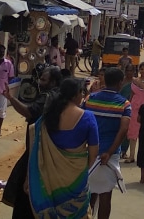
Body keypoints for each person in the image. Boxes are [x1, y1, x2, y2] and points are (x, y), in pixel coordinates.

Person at [26, 77, 99, 218]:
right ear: (74, 95)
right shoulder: (88, 117)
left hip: (49, 180)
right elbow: (94, 153)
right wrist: (82, 169)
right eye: (81, 92)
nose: (83, 95)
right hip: (77, 179)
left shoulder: (48, 117)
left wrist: (28, 177)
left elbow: (36, 148)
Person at [1, 66, 63, 219]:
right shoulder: (60, 96)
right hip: (50, 151)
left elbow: (29, 112)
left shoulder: (47, 97)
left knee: (25, 194)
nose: (40, 82)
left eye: (43, 79)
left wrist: (10, 98)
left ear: (53, 82)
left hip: (37, 151)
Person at [85, 68, 131, 219]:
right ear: (120, 83)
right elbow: (124, 129)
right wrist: (109, 152)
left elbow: (80, 122)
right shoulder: (124, 104)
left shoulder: (90, 99)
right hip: (109, 157)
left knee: (89, 194)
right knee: (105, 196)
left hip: (88, 154)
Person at [118, 66, 135, 162]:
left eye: (131, 70)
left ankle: (124, 151)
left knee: (127, 131)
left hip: (131, 108)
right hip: (120, 107)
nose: (129, 72)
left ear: (134, 71)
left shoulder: (136, 82)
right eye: (127, 71)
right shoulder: (121, 82)